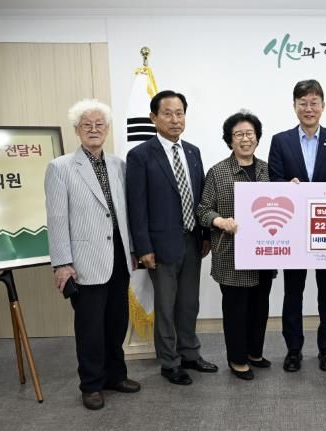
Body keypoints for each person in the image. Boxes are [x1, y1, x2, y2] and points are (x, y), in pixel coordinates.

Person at [45, 99, 140, 410]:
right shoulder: (60, 168)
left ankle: (116, 375)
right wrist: (62, 263)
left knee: (116, 322)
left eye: (100, 124)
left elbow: (126, 213)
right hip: (84, 261)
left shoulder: (119, 165)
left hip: (119, 257)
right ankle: (91, 384)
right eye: (87, 125)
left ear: (107, 129)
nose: (94, 129)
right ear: (77, 130)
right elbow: (56, 218)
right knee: (90, 328)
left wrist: (133, 249)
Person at [126, 90, 215, 386]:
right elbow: (136, 205)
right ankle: (170, 362)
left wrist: (205, 235)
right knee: (165, 307)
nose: (175, 119)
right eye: (168, 113)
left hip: (193, 241)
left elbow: (201, 198)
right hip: (160, 246)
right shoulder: (140, 155)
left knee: (189, 303)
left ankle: (190, 353)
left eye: (180, 113)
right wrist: (143, 247)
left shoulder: (193, 152)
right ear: (153, 117)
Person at [268, 79, 326, 372]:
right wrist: (285, 186)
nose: (308, 108)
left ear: (323, 106)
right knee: (293, 292)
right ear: (294, 106)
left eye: (314, 103)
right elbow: (273, 179)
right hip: (292, 230)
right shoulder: (281, 140)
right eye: (302, 103)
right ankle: (294, 350)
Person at [197, 111, 274, 381]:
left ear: (257, 138)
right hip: (231, 254)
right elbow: (202, 210)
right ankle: (237, 359)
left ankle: (254, 353)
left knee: (260, 307)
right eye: (238, 134)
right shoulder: (218, 172)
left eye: (250, 134)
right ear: (229, 140)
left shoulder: (267, 169)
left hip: (264, 253)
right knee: (236, 310)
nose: (245, 139)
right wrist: (219, 221)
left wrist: (293, 188)